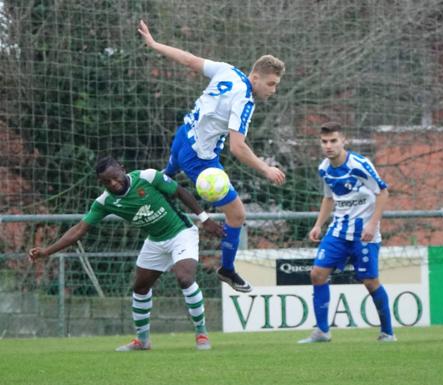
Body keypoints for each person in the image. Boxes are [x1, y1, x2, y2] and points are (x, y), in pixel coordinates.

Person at [137, 20, 286, 293]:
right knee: (237, 215)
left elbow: (190, 60)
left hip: (183, 136)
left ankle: (137, 193)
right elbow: (238, 148)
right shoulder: (245, 101)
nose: (273, 90)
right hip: (201, 160)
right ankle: (227, 269)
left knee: (159, 181)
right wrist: (265, 169)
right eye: (271, 84)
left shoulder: (228, 71)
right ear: (255, 77)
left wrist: (155, 44)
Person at [29, 157, 224, 351]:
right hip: (155, 241)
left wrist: (205, 218)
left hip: (181, 233)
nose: (113, 184)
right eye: (107, 182)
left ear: (122, 169)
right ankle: (142, 340)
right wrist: (47, 251)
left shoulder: (148, 177)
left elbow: (180, 192)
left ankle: (201, 333)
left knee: (184, 277)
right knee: (140, 287)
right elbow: (79, 230)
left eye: (115, 177)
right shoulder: (105, 202)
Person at [298, 122, 395, 344]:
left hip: (364, 232)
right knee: (317, 274)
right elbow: (329, 197)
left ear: (344, 141)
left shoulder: (359, 164)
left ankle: (388, 332)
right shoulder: (324, 168)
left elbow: (382, 192)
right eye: (324, 142)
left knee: (370, 281)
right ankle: (322, 331)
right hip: (338, 231)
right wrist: (318, 225)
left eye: (333, 141)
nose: (328, 146)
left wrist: (372, 224)